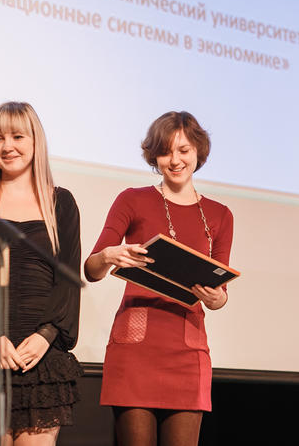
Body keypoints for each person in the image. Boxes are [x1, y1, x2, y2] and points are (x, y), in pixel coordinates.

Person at [84, 111, 234, 446]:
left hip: (188, 351)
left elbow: (220, 293)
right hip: (135, 350)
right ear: (154, 156)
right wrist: (108, 256)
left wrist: (217, 298)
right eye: (165, 152)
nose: (175, 160)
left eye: (184, 150)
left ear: (198, 151)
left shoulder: (220, 215)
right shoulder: (132, 199)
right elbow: (91, 269)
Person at [0, 101, 83, 446]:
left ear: (36, 141)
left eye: (17, 136)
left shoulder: (61, 203)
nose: (7, 146)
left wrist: (46, 335)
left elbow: (67, 281)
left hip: (41, 358)